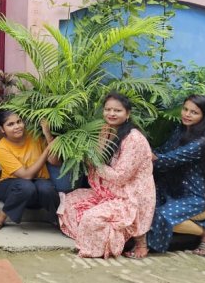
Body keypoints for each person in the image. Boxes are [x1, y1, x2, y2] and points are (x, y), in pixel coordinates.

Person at [57, 92, 156, 258]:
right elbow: (96, 160)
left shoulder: (134, 139)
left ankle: (135, 243)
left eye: (117, 111)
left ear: (128, 114)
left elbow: (120, 176)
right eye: (108, 109)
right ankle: (92, 238)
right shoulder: (105, 130)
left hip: (130, 196)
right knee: (70, 202)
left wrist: (94, 162)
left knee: (91, 218)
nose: (111, 113)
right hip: (109, 191)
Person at [141, 95, 205, 258]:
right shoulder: (181, 130)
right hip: (176, 193)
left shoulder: (204, 141)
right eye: (185, 109)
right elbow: (164, 150)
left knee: (161, 215)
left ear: (204, 117)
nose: (187, 114)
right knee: (146, 207)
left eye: (194, 112)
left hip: (200, 199)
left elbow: (170, 159)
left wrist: (142, 152)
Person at [0, 111, 59, 233]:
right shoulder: (1, 147)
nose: (17, 126)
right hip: (12, 187)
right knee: (26, 186)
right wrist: (46, 151)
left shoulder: (34, 135)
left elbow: (55, 162)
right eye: (11, 124)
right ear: (2, 129)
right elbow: (26, 175)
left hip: (37, 190)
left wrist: (47, 135)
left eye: (19, 122)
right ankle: (1, 216)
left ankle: (60, 221)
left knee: (47, 189)